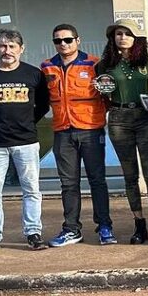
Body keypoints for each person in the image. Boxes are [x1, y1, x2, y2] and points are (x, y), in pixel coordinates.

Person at [0, 28, 51, 255]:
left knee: (32, 189)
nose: (7, 51)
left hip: (26, 142)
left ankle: (33, 234)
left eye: (12, 46)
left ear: (21, 49)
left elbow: (43, 106)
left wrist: (26, 122)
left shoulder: (34, 74)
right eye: (3, 46)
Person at [40, 24, 114, 247]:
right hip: (63, 131)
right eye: (58, 41)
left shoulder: (94, 64)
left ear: (78, 40)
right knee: (68, 184)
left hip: (90, 130)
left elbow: (109, 95)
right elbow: (41, 100)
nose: (63, 44)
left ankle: (104, 226)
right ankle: (71, 229)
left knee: (97, 181)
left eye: (68, 39)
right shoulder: (47, 67)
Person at [96, 19, 148, 246]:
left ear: (136, 38)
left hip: (146, 118)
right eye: (118, 33)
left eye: (128, 33)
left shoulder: (145, 61)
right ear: (112, 38)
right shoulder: (105, 64)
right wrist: (111, 106)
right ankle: (139, 224)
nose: (123, 37)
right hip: (119, 119)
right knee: (130, 176)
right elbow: (100, 92)